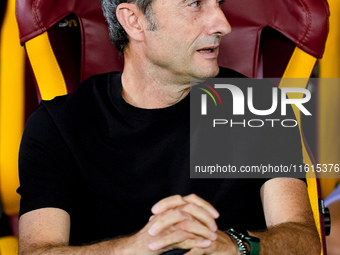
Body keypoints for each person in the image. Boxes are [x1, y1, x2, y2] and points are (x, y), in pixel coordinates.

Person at [17, 0, 321, 254]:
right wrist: (135, 248)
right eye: (194, 4)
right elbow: (37, 250)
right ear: (134, 21)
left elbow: (304, 240)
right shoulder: (57, 125)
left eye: (218, 3)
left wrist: (235, 246)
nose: (223, 25)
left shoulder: (260, 106)